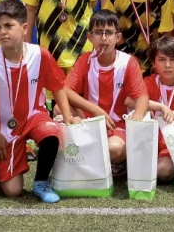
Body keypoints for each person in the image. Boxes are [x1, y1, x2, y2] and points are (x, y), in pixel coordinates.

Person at [0, 0, 75, 202]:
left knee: (51, 133)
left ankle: (41, 181)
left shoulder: (40, 54)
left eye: (8, 26)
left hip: (34, 116)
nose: (2, 32)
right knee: (13, 191)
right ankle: (13, 159)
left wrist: (67, 116)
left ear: (24, 28)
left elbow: (57, 87)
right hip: (3, 127)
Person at [64, 10, 150, 166]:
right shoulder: (85, 60)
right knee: (59, 108)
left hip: (116, 124)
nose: (103, 38)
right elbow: (65, 90)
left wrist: (138, 115)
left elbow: (142, 96)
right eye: (98, 32)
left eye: (109, 33)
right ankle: (96, 160)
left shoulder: (128, 62)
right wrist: (95, 110)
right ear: (89, 37)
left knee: (114, 149)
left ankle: (99, 159)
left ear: (118, 37)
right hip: (90, 121)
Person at [110, 0, 169, 75]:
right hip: (126, 58)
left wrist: (161, 58)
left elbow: (168, 31)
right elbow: (111, 26)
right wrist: (126, 53)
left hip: (156, 58)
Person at [141, 35, 174, 182]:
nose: (167, 65)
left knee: (162, 170)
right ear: (153, 63)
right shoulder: (150, 82)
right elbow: (131, 100)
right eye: (161, 60)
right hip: (157, 142)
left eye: (173, 59)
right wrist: (161, 106)